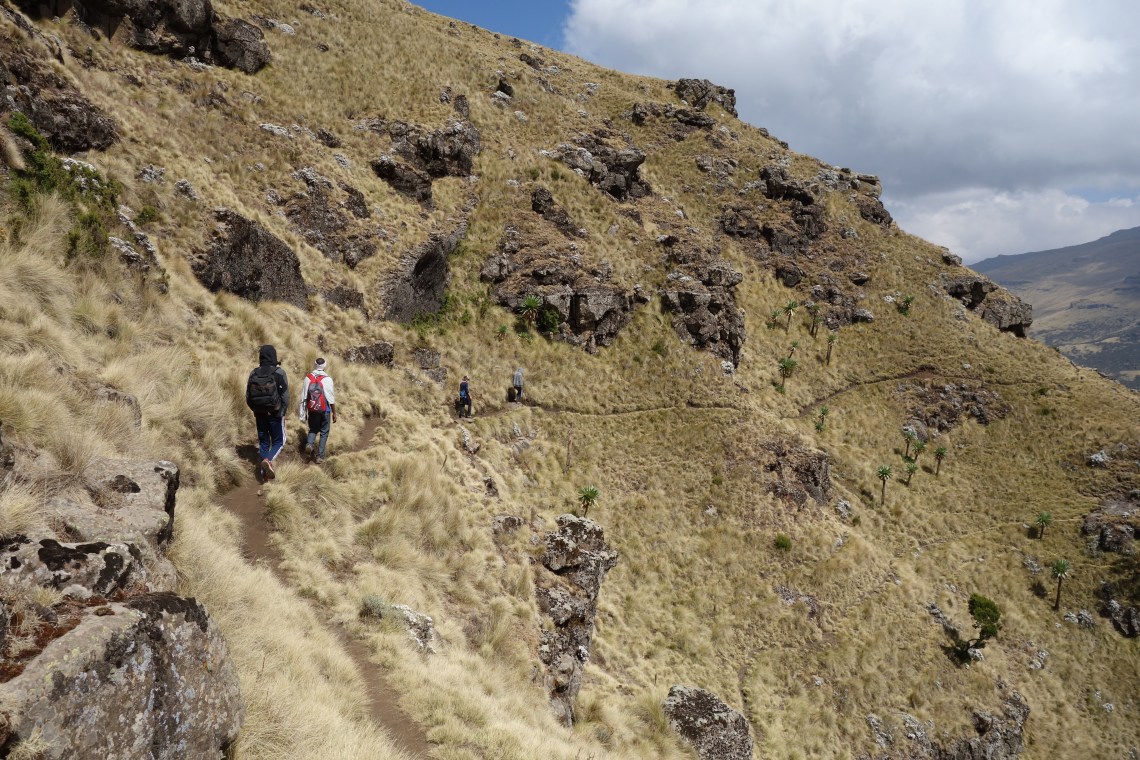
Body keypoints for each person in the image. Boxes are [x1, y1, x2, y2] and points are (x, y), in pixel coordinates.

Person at [246, 344, 289, 480]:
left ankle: (264, 475)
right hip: (275, 413)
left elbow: (248, 397)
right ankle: (268, 461)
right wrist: (282, 411)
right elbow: (285, 396)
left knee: (264, 442)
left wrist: (256, 410)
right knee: (279, 441)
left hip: (259, 413)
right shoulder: (279, 372)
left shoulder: (254, 373)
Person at [298, 357, 337, 463]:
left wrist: (303, 412)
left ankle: (309, 444)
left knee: (313, 429)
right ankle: (320, 456)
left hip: (312, 409)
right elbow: (331, 398)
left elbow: (304, 397)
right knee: (324, 432)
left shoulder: (308, 378)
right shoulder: (327, 379)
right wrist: (334, 413)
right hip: (326, 410)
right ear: (324, 366)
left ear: (315, 365)